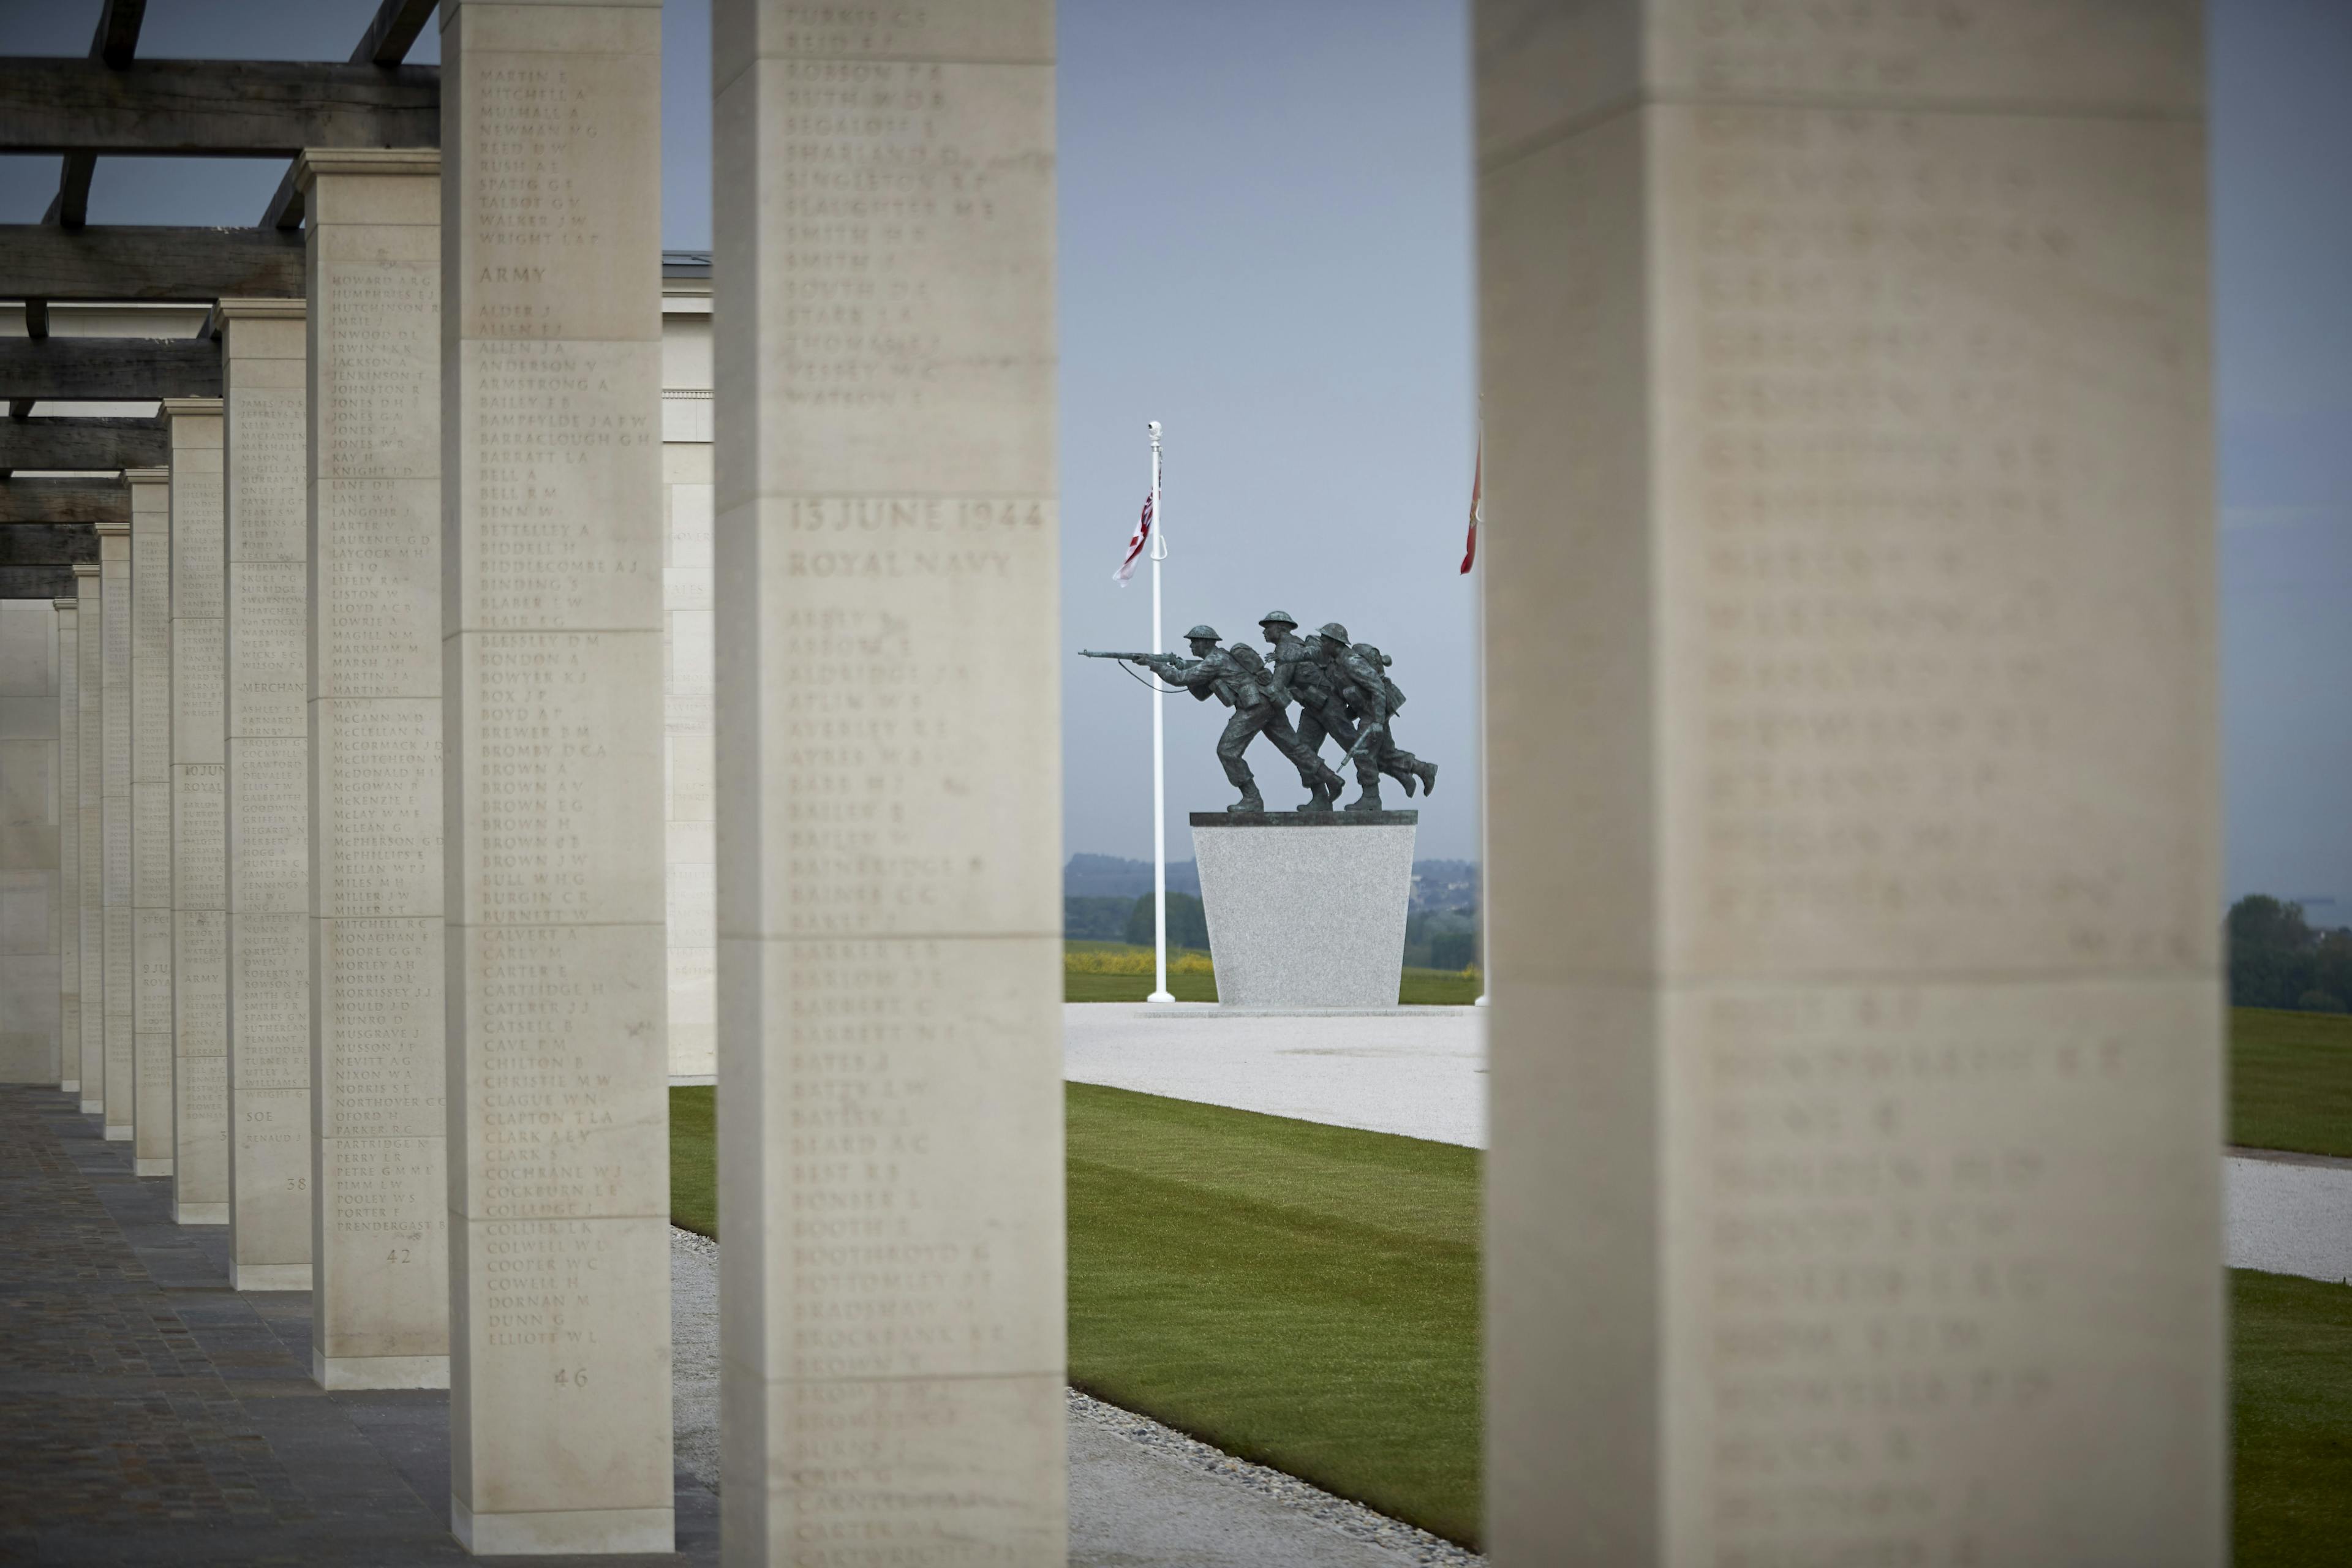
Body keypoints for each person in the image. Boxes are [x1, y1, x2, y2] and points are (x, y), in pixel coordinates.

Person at [1130, 625, 1346, 813]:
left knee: (1227, 751)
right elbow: (1197, 682)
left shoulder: (1215, 660)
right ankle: (1331, 779)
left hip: (1254, 706)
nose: (1191, 648)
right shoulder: (1220, 657)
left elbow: (1181, 679)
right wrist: (1179, 664)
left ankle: (1252, 798)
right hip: (1268, 702)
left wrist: (1154, 664)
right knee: (1294, 747)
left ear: (1205, 643)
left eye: (1194, 643)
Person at [1313, 622, 1438, 812]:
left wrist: (1378, 721)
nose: (1321, 643)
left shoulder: (1351, 662)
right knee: (1386, 754)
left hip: (1374, 713)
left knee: (1362, 753)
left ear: (1334, 642)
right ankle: (1422, 769)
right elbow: (1352, 694)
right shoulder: (1337, 665)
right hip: (1368, 712)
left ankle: (1371, 797)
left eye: (1324, 640)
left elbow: (1377, 688)